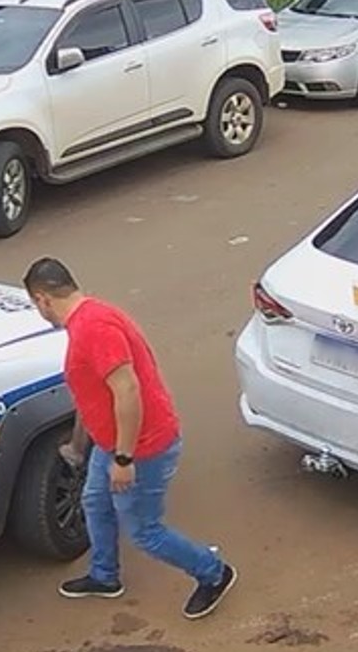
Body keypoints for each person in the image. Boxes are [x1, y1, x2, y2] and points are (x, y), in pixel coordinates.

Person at [22, 257, 236, 620]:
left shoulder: (93, 328)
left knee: (145, 532)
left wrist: (124, 459)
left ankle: (214, 573)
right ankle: (105, 576)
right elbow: (93, 395)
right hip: (113, 444)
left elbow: (127, 392)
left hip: (142, 447)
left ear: (42, 298)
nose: (38, 311)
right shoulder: (87, 320)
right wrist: (80, 445)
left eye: (35, 305)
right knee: (94, 501)